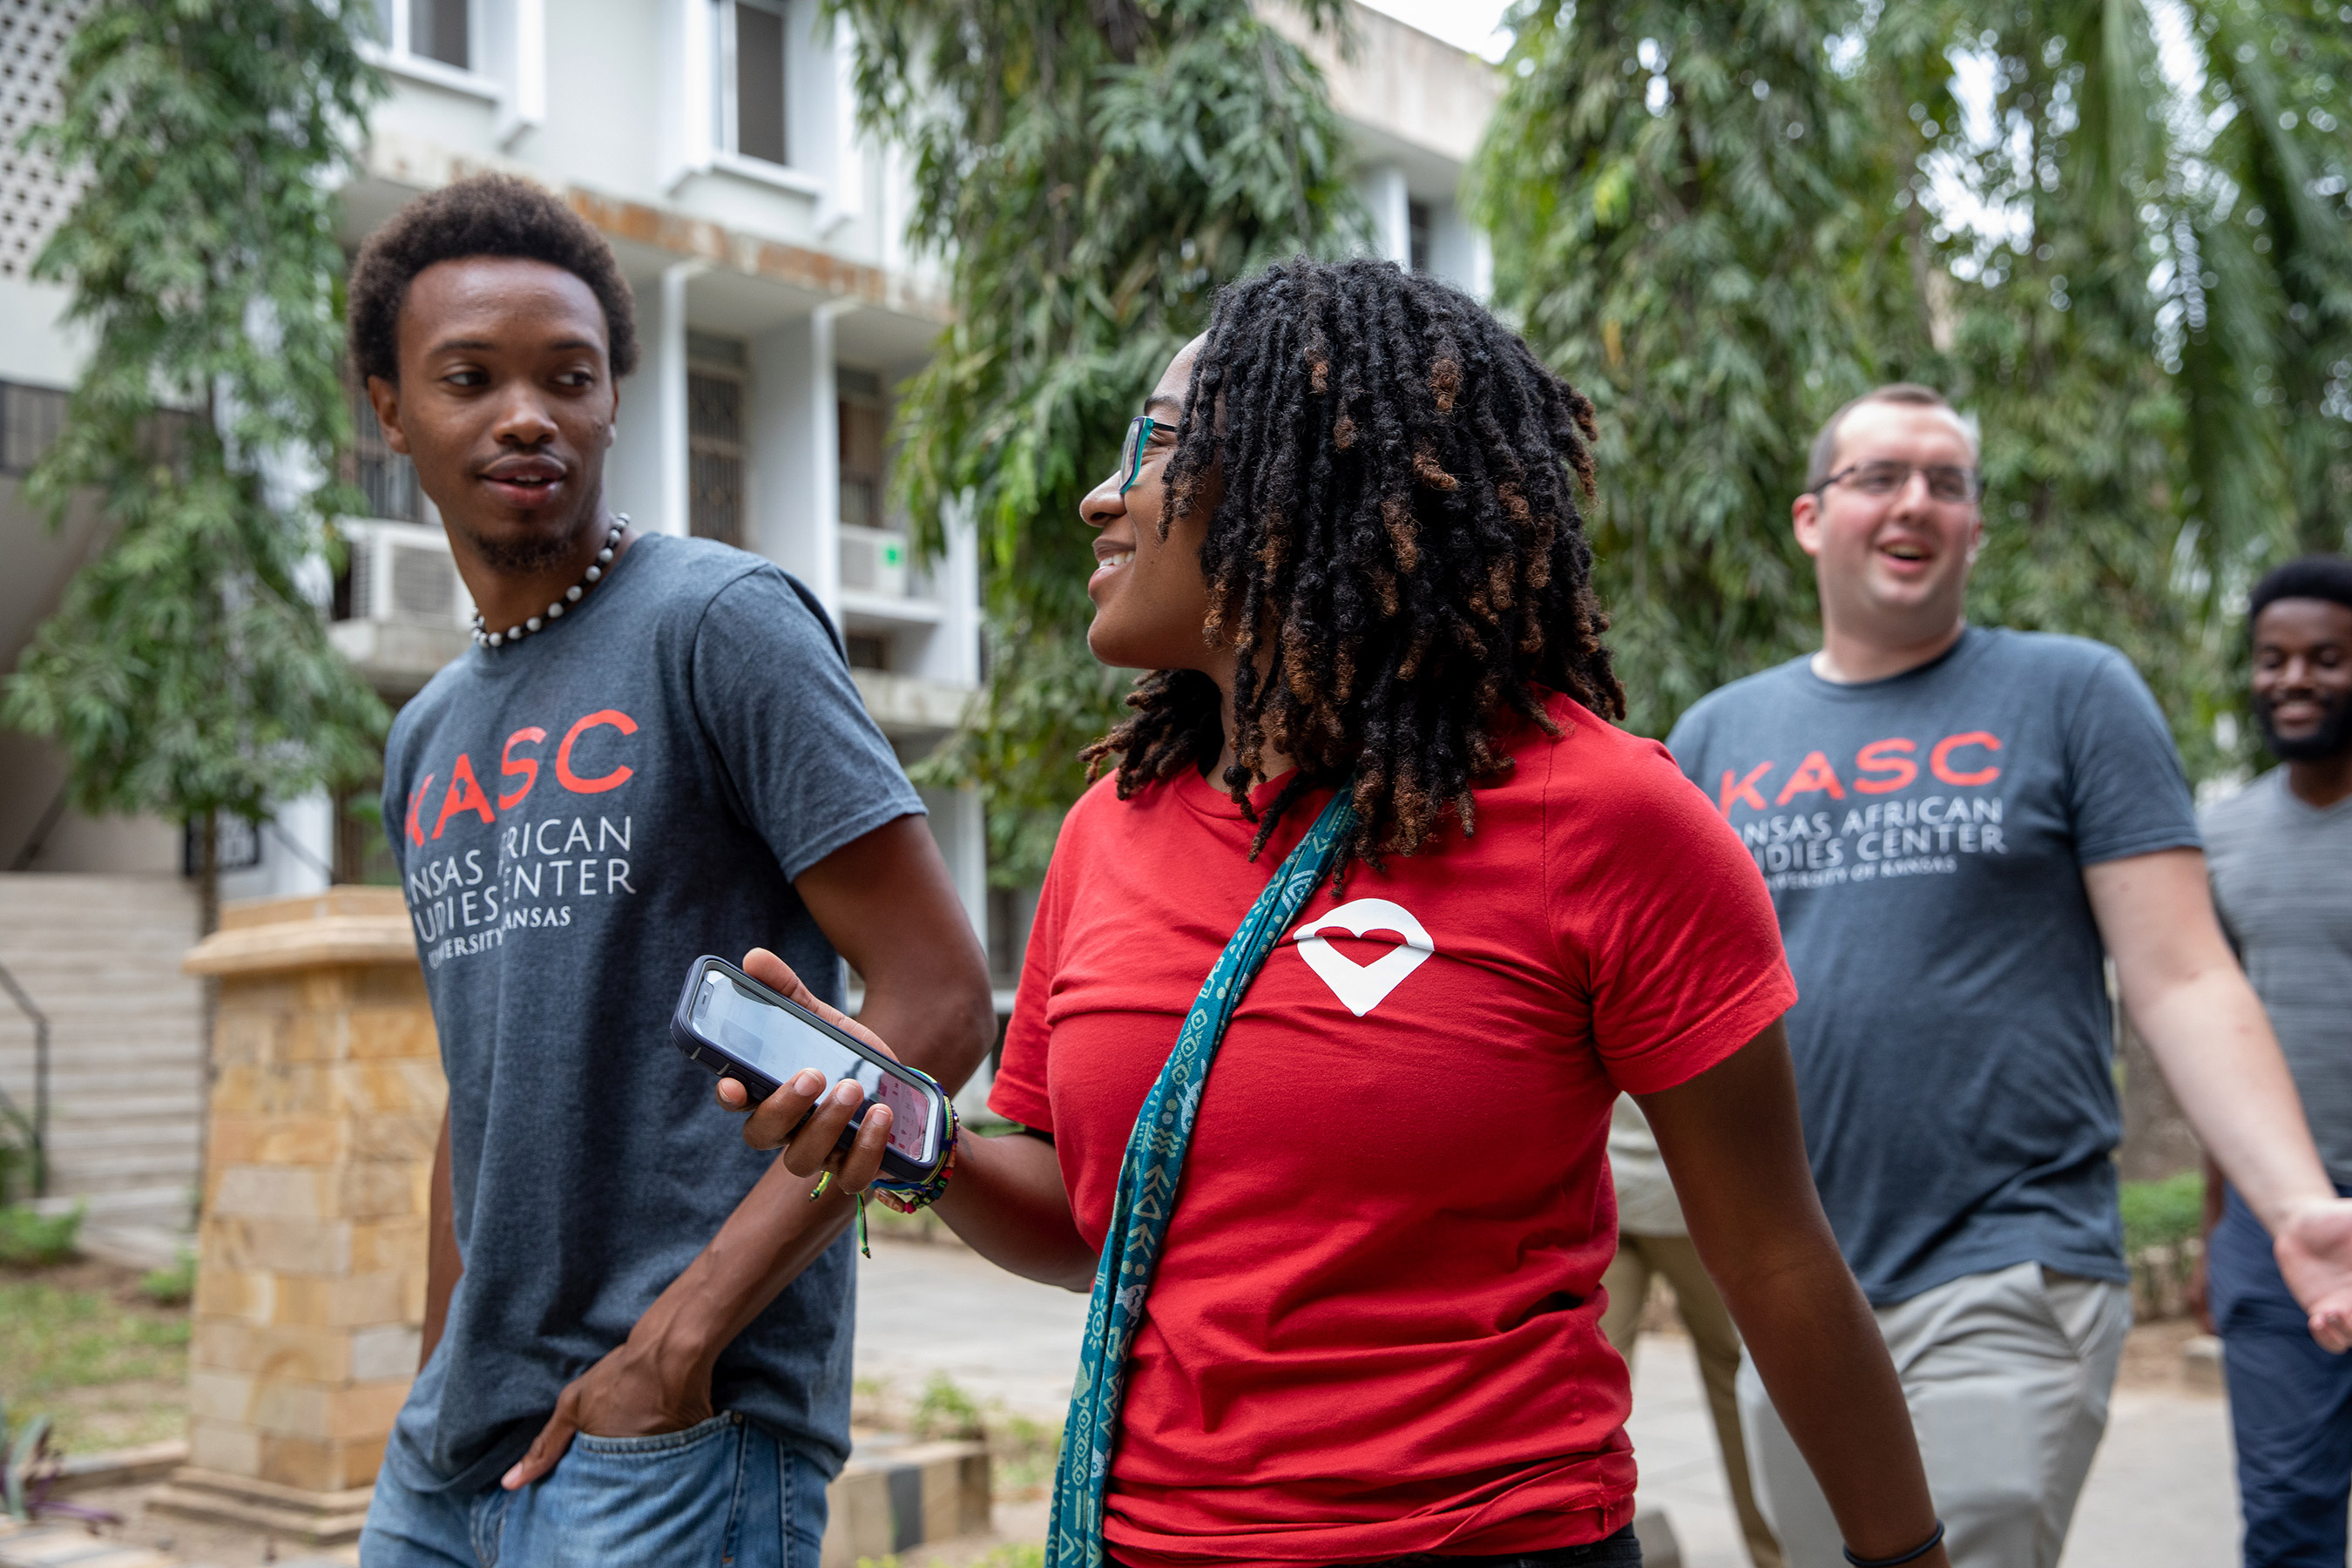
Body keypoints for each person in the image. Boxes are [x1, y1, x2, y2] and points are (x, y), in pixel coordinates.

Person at [724, 259, 1957, 1568]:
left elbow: (1773, 1255)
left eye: (1151, 444)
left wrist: (1906, 1557)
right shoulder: (1108, 832)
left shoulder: (1605, 819)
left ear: (1289, 480)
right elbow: (1098, 1229)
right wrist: (919, 1136)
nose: (1102, 492)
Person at [348, 174, 996, 1568]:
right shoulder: (424, 738)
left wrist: (681, 1340)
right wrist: (431, 1380)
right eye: (469, 377)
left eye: (567, 377)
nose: (526, 412)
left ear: (611, 401)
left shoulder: (720, 626)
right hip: (452, 1455)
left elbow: (939, 1001)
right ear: (390, 410)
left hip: (671, 1437)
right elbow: (486, 1090)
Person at [1662, 384, 2352, 1568]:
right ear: (1811, 518)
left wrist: (2295, 1206)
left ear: (1976, 528)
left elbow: (2181, 973)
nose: (1915, 500)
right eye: (1878, 476)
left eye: (1948, 481)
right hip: (1800, 1281)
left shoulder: (2074, 694)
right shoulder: (1719, 736)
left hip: (2012, 1258)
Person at [2194, 555, 2352, 1567]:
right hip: (2272, 1218)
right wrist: (2218, 1228)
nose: (2294, 679)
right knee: (2287, 1518)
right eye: (2274, 658)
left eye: (2327, 658)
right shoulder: (2219, 837)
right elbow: (2214, 1042)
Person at [1603, 1099, 1781, 1568]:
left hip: (1659, 1195)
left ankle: (1774, 1552)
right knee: (1591, 1382)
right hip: (1637, 1191)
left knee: (1734, 1372)